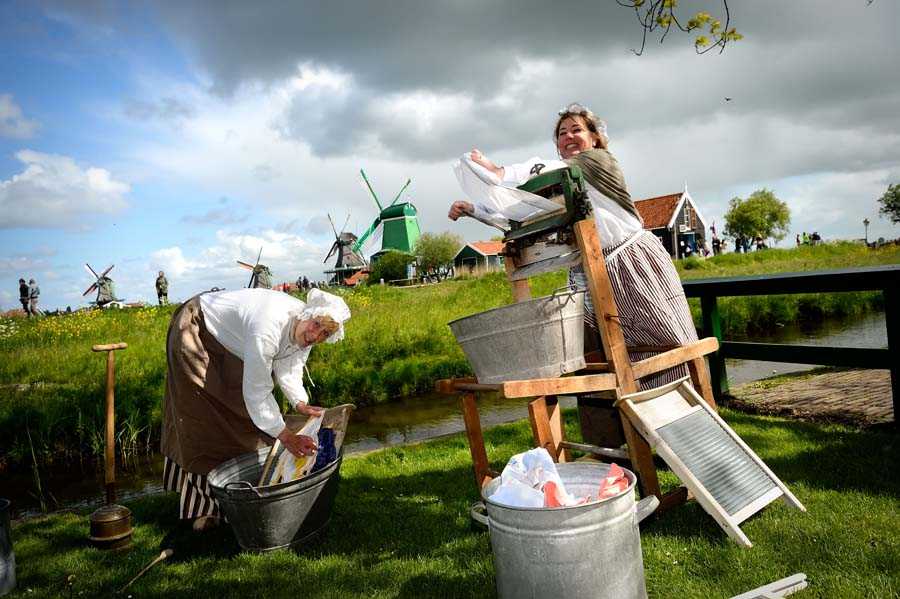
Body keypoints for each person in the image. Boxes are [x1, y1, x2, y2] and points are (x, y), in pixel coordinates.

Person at [448, 103, 698, 389]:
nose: (568, 137)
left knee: (661, 338)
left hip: (630, 263)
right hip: (588, 270)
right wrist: (476, 210)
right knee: (600, 355)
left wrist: (498, 170)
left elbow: (542, 171)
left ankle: (680, 404)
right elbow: (526, 210)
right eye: (562, 133)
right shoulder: (560, 189)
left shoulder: (599, 161)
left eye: (576, 129)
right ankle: (620, 424)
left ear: (594, 137)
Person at [161, 287, 350, 530]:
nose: (315, 336)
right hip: (195, 331)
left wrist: (299, 401)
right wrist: (285, 435)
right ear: (307, 314)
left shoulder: (303, 326)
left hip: (229, 342)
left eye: (324, 334)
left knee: (241, 415)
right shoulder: (268, 326)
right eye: (316, 326)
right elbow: (258, 391)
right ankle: (203, 508)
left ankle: (237, 498)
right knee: (204, 417)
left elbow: (290, 363)